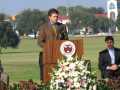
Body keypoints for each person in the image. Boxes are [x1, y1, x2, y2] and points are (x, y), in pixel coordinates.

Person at [37, 8, 68, 81]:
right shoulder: (43, 27)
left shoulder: (62, 26)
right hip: (48, 55)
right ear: (49, 17)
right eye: (54, 16)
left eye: (57, 16)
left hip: (60, 55)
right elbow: (40, 42)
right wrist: (49, 48)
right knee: (47, 77)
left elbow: (66, 40)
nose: (56, 18)